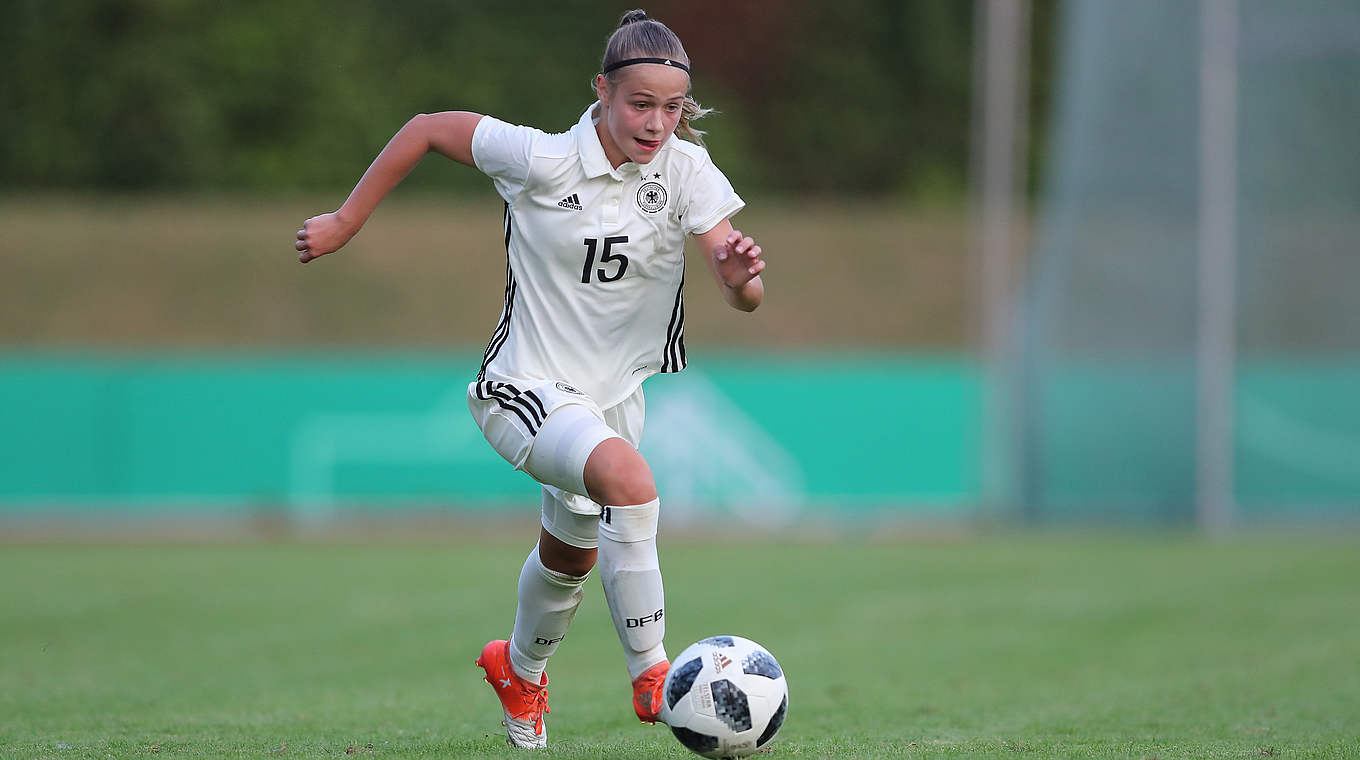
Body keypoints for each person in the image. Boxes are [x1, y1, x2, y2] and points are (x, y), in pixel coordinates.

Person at [293, 9, 765, 749]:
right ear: (601, 92)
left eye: (672, 108)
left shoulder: (685, 170)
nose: (656, 123)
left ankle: (519, 671)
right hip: (524, 386)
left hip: (613, 397)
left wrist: (740, 282)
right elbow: (423, 128)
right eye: (640, 104)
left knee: (572, 551)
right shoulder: (542, 158)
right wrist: (348, 221)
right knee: (631, 483)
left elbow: (740, 289)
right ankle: (654, 672)